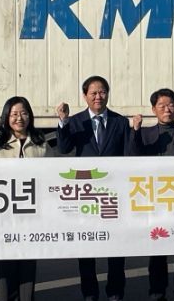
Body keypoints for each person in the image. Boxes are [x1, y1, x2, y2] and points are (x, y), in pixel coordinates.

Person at [56, 75, 130, 301]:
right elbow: (63, 148)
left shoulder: (120, 122)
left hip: (113, 194)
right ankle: (90, 293)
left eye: (102, 92)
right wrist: (63, 122)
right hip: (86, 194)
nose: (98, 97)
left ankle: (115, 292)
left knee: (116, 248)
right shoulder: (76, 121)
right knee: (87, 248)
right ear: (85, 96)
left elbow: (128, 156)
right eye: (93, 93)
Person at [0, 96, 53, 301]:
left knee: (27, 266)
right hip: (4, 216)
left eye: (24, 113)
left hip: (31, 216)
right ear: (6, 117)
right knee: (5, 267)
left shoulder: (41, 143)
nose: (19, 118)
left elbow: (53, 172)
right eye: (14, 114)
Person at [129, 88, 174, 301]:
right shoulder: (145, 134)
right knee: (157, 251)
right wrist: (135, 131)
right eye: (162, 106)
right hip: (155, 200)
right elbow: (133, 158)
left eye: (171, 105)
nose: (167, 109)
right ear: (153, 109)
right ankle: (157, 292)